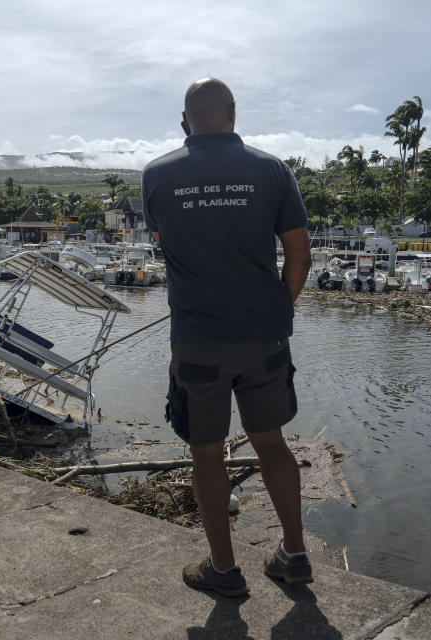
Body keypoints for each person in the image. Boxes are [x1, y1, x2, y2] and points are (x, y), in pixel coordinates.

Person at [141, 78, 313, 597]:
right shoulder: (272, 170)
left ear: (185, 121)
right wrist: (279, 311)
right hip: (265, 337)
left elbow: (164, 243)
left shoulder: (156, 175)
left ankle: (223, 568)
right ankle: (295, 556)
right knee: (272, 443)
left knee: (207, 453)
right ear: (233, 114)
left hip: (198, 341)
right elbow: (300, 257)